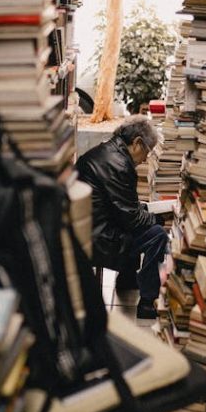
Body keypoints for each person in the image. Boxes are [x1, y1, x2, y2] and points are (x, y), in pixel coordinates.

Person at [76, 116, 169, 319]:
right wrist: (157, 219)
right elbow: (131, 218)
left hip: (89, 226)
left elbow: (122, 205)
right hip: (98, 238)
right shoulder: (119, 165)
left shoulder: (106, 152)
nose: (145, 159)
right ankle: (146, 303)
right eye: (147, 152)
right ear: (136, 143)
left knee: (142, 218)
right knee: (157, 234)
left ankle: (127, 280)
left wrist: (144, 211)